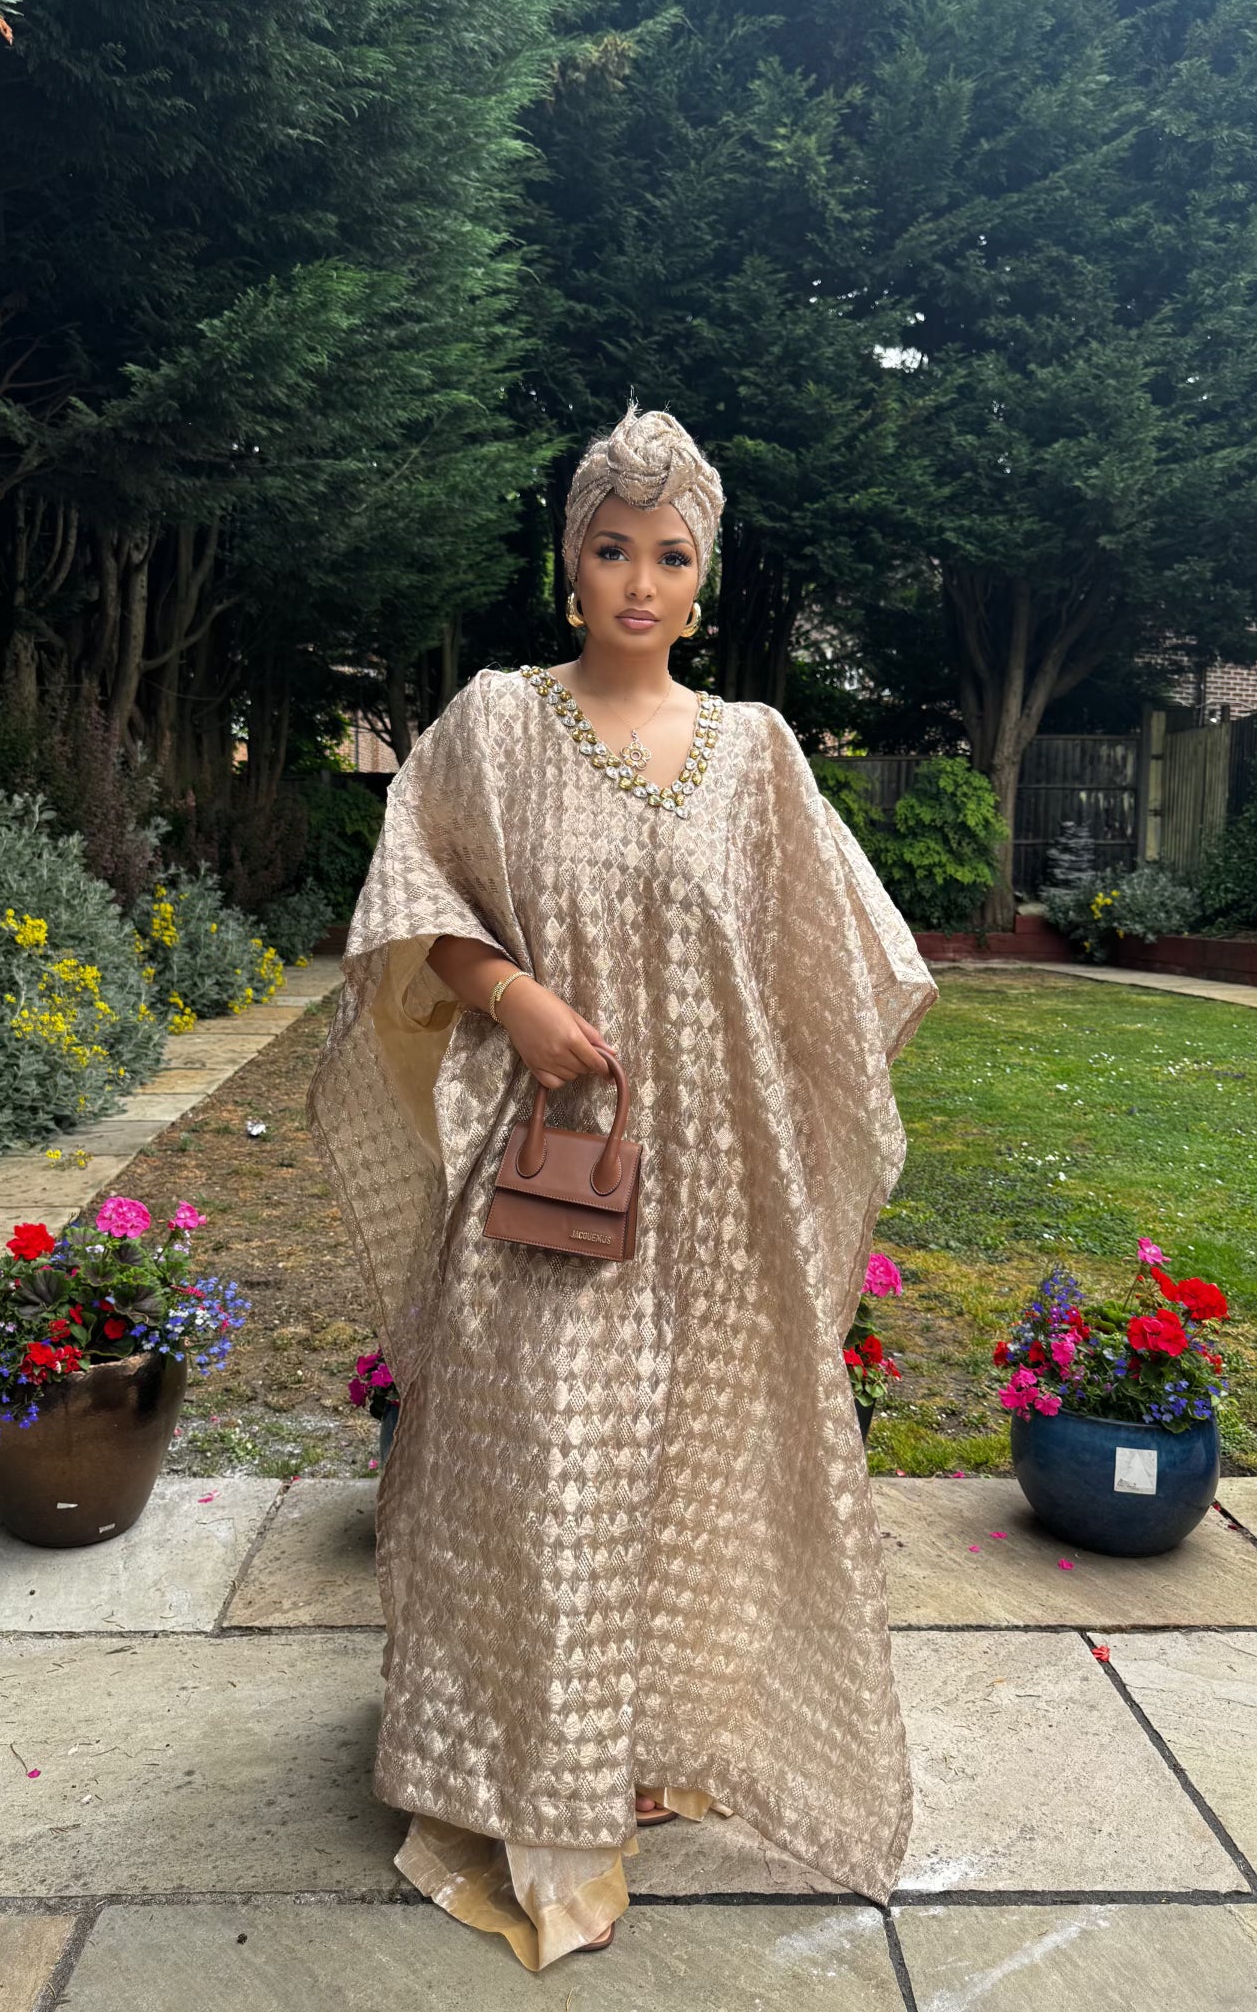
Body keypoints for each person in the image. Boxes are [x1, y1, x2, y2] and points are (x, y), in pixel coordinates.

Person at [304, 397, 939, 1970]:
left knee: (688, 1453)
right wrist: (510, 993)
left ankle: (645, 1731)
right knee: (541, 1455)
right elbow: (411, 893)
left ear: (701, 581)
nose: (639, 583)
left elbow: (845, 962)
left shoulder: (760, 754)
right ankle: (531, 1779)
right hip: (552, 1156)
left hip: (714, 1173)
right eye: (611, 549)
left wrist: (788, 1104)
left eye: (671, 555)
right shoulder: (496, 725)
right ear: (569, 562)